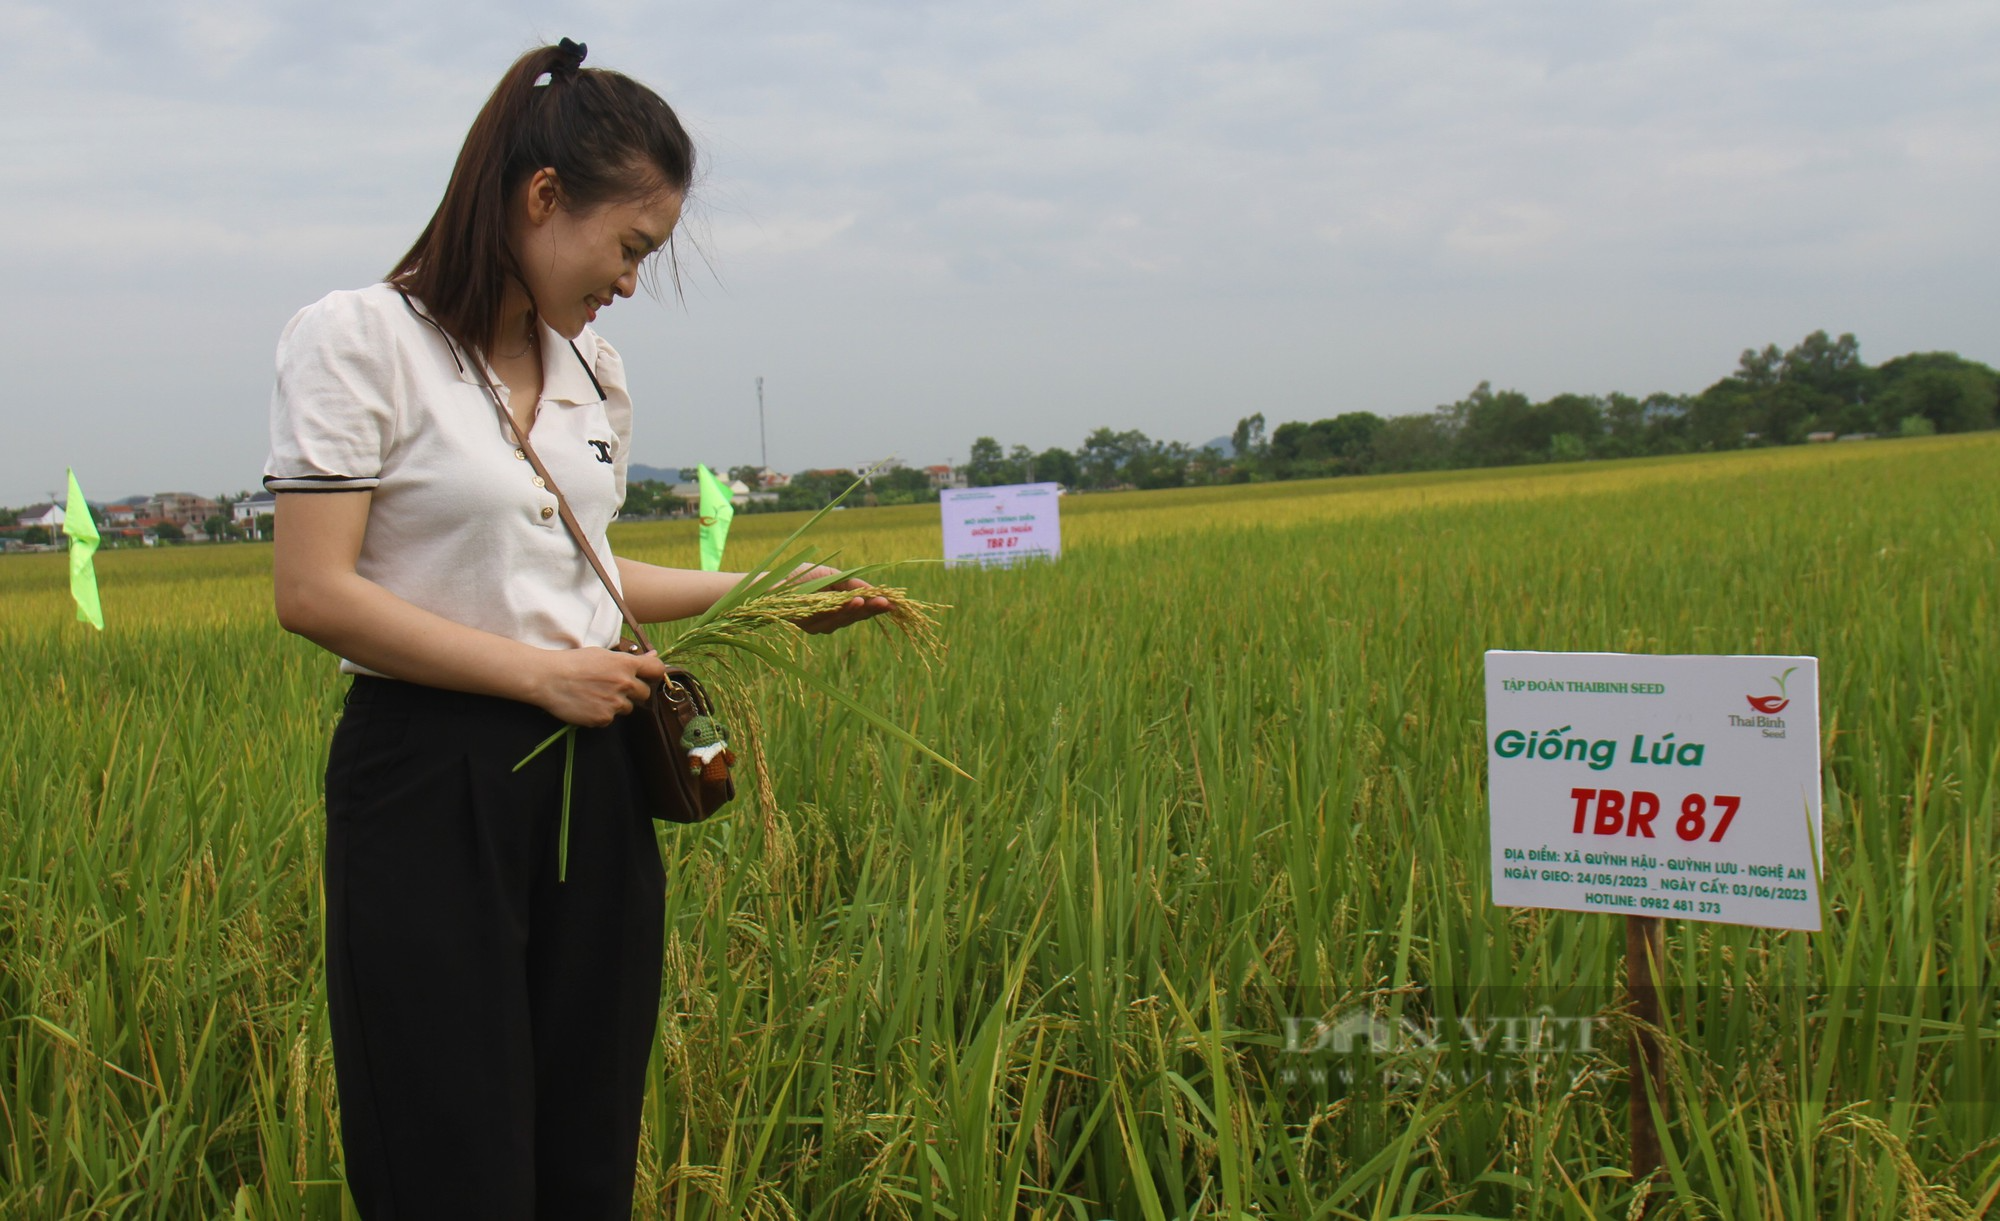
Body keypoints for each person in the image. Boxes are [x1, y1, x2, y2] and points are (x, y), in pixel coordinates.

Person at [266, 39, 884, 1219]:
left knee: (586, 1139)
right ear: (543, 198)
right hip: (429, 777)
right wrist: (535, 679)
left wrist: (763, 591)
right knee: (448, 1141)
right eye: (630, 248)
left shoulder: (594, 369)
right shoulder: (357, 339)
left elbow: (582, 579)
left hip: (593, 771)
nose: (631, 282)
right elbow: (314, 593)